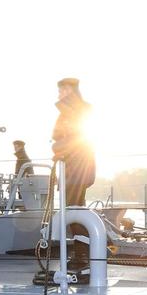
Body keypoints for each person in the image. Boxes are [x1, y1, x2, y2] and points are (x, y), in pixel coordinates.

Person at [50, 78, 95, 206]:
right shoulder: (72, 111)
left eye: (60, 91)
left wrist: (56, 147)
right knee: (74, 207)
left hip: (76, 169)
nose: (58, 96)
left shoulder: (73, 112)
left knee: (71, 208)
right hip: (76, 168)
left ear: (68, 90)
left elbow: (75, 140)